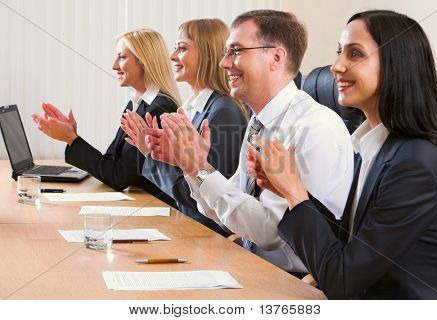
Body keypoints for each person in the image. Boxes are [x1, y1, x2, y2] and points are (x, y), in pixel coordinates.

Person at [248, 10, 437, 299]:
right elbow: (349, 244)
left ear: (396, 65)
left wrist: (295, 194)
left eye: (355, 54)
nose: (336, 66)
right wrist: (286, 190)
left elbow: (343, 280)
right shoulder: (376, 146)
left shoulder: (415, 165)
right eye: (339, 52)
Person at [151, 10, 354, 275]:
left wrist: (198, 167)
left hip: (292, 283)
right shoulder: (260, 121)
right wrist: (191, 168)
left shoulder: (314, 128)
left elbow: (270, 232)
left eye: (235, 51)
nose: (224, 63)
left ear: (276, 57)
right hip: (252, 267)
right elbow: (230, 209)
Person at [121, 19, 248, 236]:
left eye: (182, 49)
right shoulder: (192, 109)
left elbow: (206, 195)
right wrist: (160, 156)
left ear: (208, 54)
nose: (172, 57)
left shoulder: (223, 112)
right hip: (189, 228)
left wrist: (150, 157)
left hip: (209, 237)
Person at [32, 29, 179, 203]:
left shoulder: (159, 110)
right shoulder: (137, 103)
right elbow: (111, 161)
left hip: (156, 211)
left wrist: (72, 139)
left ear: (143, 61)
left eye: (122, 57)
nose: (114, 65)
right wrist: (72, 136)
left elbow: (119, 177)